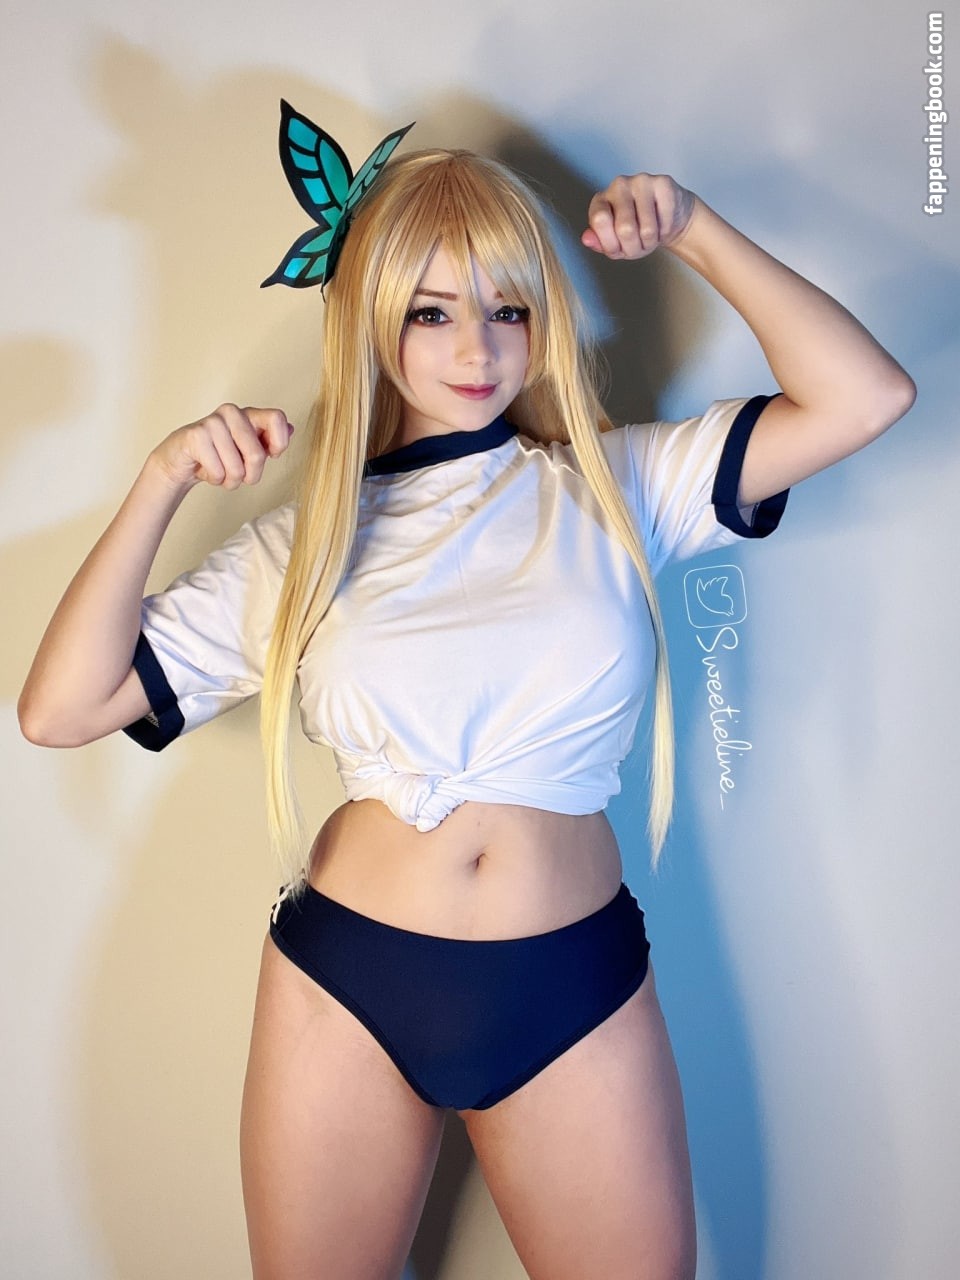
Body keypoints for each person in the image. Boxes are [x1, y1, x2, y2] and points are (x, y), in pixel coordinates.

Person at [19, 103, 915, 1280]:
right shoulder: (305, 543)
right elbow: (60, 708)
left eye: (509, 308)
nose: (479, 348)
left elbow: (864, 396)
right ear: (371, 318)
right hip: (345, 982)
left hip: (571, 981)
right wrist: (163, 479)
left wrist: (694, 227)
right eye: (431, 312)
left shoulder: (616, 483)